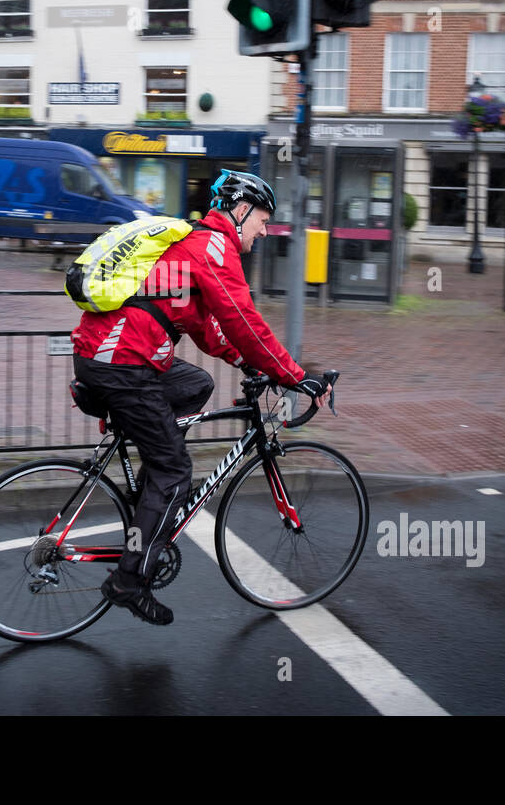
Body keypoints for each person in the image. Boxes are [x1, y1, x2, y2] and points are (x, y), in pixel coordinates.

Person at [71, 170, 332, 626]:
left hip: (116, 357)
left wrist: (251, 364)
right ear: (241, 210)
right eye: (263, 221)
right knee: (176, 472)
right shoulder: (213, 247)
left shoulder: (193, 247)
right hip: (121, 363)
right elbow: (243, 319)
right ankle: (128, 581)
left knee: (196, 386)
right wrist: (293, 376)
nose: (265, 231)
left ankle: (151, 491)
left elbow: (210, 329)